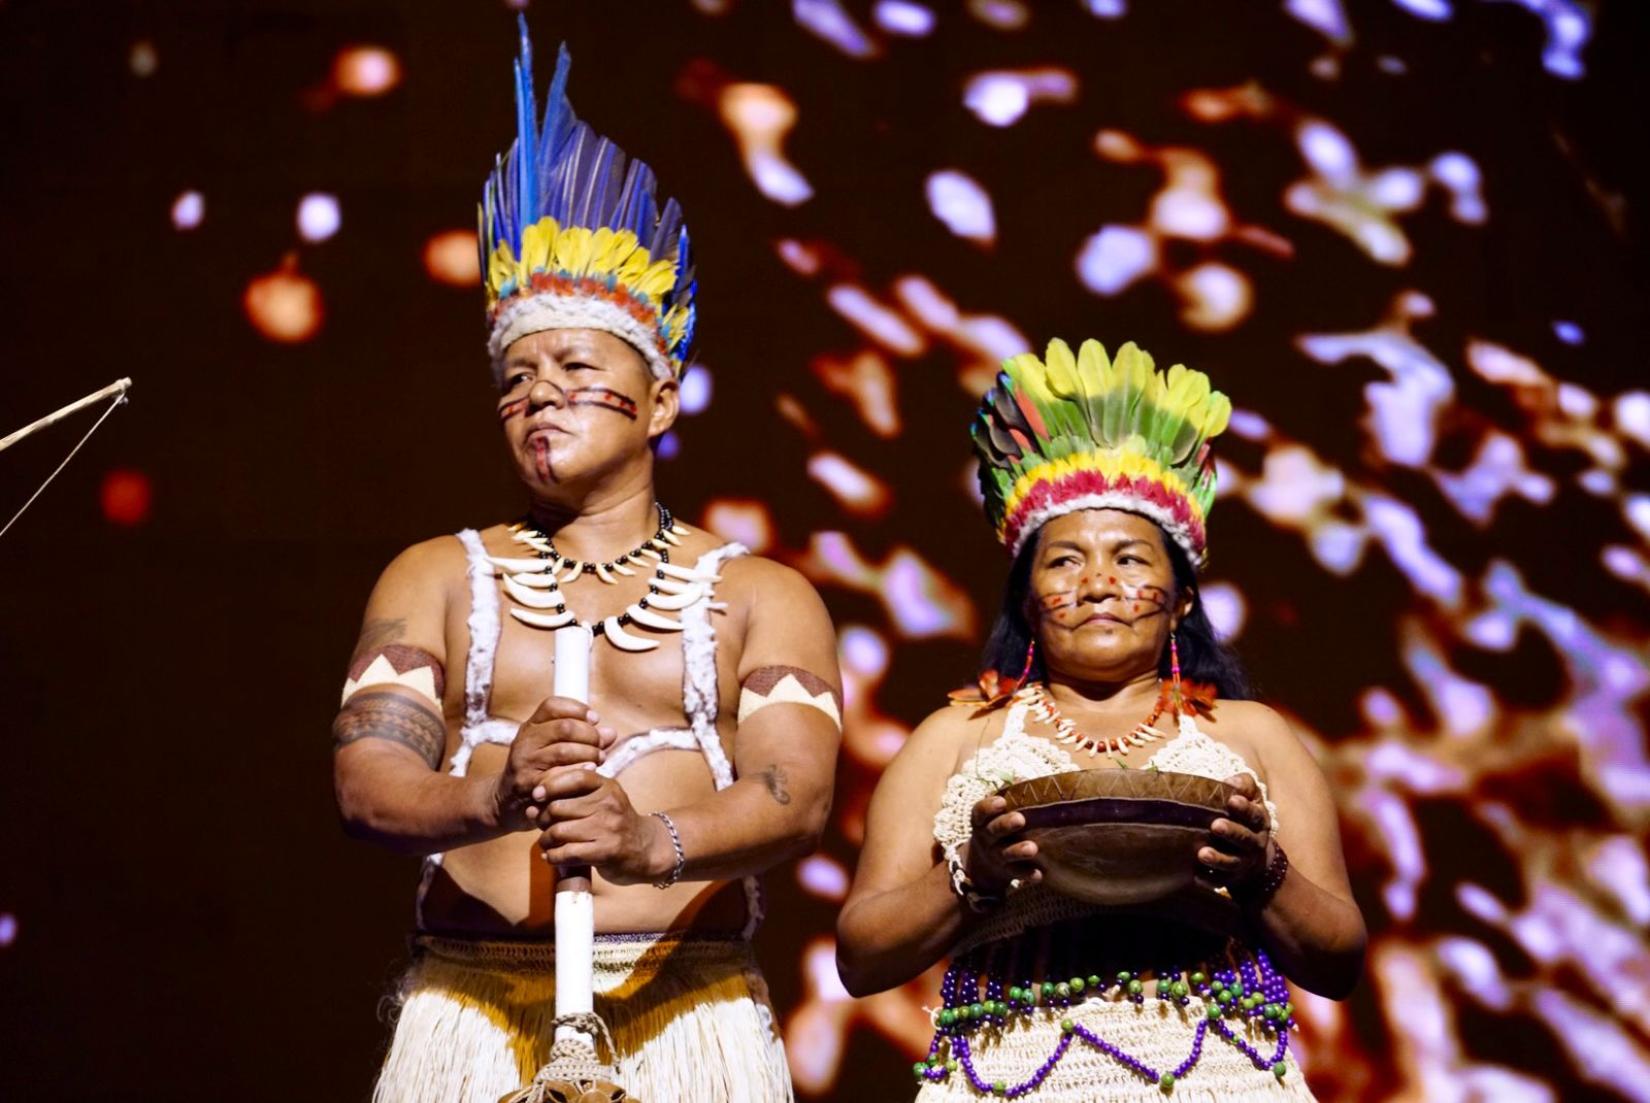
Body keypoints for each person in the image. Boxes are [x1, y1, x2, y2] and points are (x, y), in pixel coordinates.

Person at [332, 22, 840, 1103]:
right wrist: (493, 793)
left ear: (660, 399)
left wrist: (650, 841)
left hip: (686, 1008)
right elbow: (368, 786)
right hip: (472, 1006)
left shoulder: (757, 593)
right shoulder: (434, 576)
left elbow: (795, 797)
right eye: (513, 378)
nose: (538, 394)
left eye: (573, 363)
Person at [837, 339, 1366, 1100]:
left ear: (1182, 597)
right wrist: (970, 879)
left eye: (1130, 559)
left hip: (1218, 1078)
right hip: (1007, 1079)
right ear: (1026, 600)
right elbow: (860, 955)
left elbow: (1339, 960)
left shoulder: (1253, 735)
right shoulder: (955, 737)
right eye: (1062, 562)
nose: (1096, 584)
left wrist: (1265, 874)